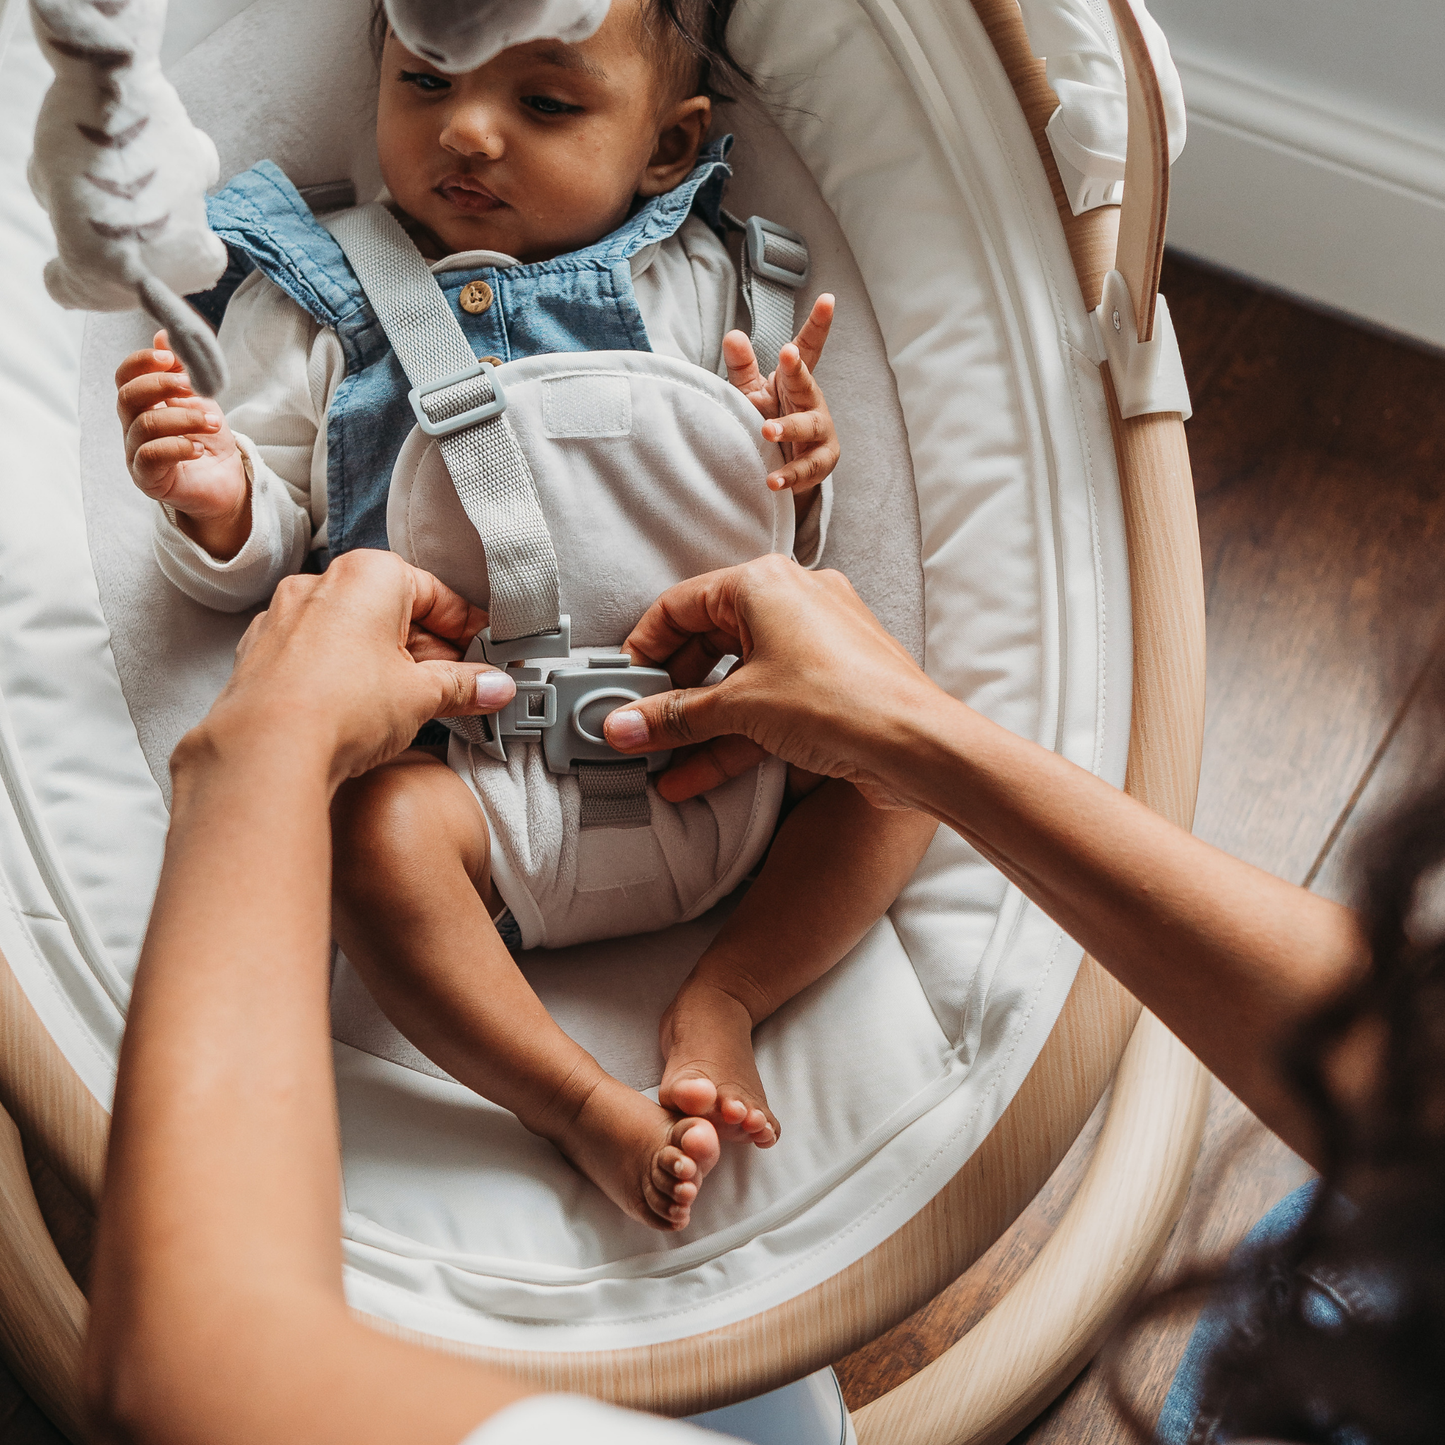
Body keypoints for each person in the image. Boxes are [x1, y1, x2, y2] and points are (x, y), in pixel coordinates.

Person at [87, 549, 1433, 1445]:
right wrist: (914, 729)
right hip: (514, 786)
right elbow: (1405, 1059)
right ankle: (601, 1086)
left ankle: (668, 1034)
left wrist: (257, 755)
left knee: (759, 1402)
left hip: (694, 792)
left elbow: (183, 1365)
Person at [109, 0, 940, 1231]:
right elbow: (280, 563)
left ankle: (726, 992)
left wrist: (797, 469)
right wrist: (219, 498)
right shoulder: (315, 300)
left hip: (717, 736)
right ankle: (572, 1100)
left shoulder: (699, 278)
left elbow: (762, 539)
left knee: (904, 752)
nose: (473, 134)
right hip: (477, 786)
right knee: (364, 835)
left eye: (545, 104)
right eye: (428, 82)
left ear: (666, 147)